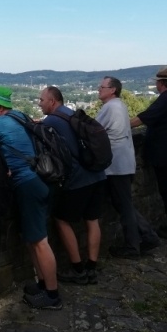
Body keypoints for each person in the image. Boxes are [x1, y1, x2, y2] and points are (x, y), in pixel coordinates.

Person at [0, 86, 61, 310]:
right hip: (38, 181)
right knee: (33, 239)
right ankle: (43, 285)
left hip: (27, 185)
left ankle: (52, 295)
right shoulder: (19, 115)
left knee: (40, 242)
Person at [38, 86, 106, 285]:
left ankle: (77, 269)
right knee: (92, 220)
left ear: (52, 101)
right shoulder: (73, 114)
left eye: (41, 100)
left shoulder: (51, 120)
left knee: (61, 220)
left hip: (77, 179)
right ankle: (91, 267)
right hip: (97, 174)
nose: (39, 103)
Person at [96, 76, 160, 259]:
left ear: (112, 90)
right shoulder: (119, 105)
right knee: (123, 203)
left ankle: (134, 246)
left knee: (124, 205)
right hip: (123, 162)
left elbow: (93, 130)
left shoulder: (111, 107)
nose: (99, 89)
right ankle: (147, 235)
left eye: (102, 86)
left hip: (116, 164)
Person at [130, 67, 167, 241]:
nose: (156, 84)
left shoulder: (166, 99)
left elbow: (143, 118)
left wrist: (121, 125)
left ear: (161, 83)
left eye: (157, 82)